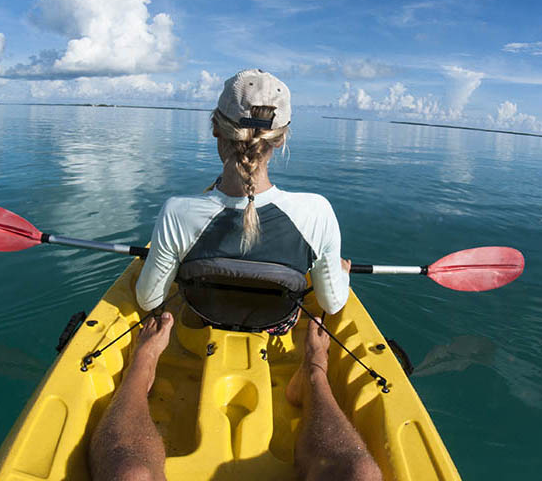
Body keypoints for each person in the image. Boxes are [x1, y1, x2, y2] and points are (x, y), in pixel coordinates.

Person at [89, 69, 382, 481]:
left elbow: (149, 300)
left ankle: (145, 363)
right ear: (281, 139)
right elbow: (333, 303)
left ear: (216, 129)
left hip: (196, 327)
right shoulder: (317, 213)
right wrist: (342, 273)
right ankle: (314, 371)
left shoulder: (178, 211)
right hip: (277, 332)